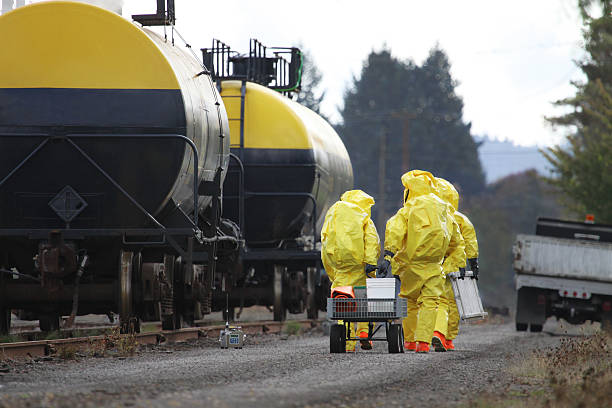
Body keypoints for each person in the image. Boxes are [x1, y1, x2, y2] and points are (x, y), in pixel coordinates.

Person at [378, 170, 462, 353]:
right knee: (430, 302)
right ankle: (424, 343)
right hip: (434, 266)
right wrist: (457, 263)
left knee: (409, 300)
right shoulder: (444, 209)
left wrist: (388, 256)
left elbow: (395, 231)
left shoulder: (408, 209)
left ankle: (409, 341)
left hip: (410, 265)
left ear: (409, 190)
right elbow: (456, 240)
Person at [321, 190, 380, 352]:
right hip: (360, 267)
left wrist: (332, 271)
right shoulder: (364, 217)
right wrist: (370, 263)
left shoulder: (333, 216)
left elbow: (325, 245)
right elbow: (371, 241)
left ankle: (346, 343)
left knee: (342, 304)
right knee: (365, 301)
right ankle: (363, 332)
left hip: (340, 268)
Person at [432, 178, 479, 351]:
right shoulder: (460, 220)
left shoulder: (426, 215)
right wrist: (473, 264)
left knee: (426, 301)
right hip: (452, 264)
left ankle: (418, 338)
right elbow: (469, 242)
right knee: (450, 303)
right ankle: (445, 338)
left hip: (428, 264)